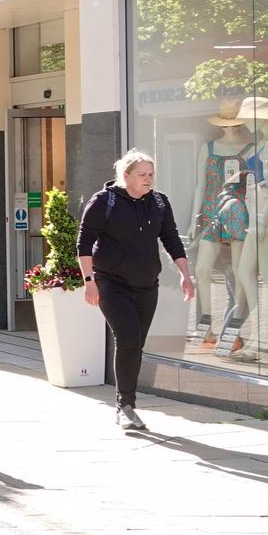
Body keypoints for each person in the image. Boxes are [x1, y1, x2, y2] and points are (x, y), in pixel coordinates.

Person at [78, 150, 195, 432]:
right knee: (128, 339)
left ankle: (126, 402)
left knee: (135, 344)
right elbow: (84, 243)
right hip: (111, 282)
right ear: (126, 175)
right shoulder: (104, 202)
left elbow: (171, 240)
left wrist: (185, 276)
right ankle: (126, 406)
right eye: (142, 175)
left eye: (151, 174)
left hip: (146, 284)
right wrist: (89, 281)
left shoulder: (158, 202)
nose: (148, 179)